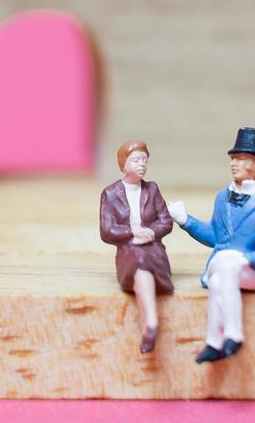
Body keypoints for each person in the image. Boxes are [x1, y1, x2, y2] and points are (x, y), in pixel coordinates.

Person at [168, 127, 255, 363]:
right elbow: (216, 236)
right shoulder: (222, 198)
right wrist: (185, 220)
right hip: (224, 268)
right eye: (233, 158)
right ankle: (217, 341)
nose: (234, 164)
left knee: (223, 268)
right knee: (218, 276)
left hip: (252, 273)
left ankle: (231, 334)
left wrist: (245, 258)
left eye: (242, 159)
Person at [98, 139, 175, 353]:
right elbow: (106, 230)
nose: (142, 165)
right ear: (123, 164)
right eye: (136, 160)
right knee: (139, 263)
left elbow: (166, 221)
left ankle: (150, 324)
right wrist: (133, 232)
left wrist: (150, 232)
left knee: (144, 259)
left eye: (145, 160)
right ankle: (150, 322)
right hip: (128, 250)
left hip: (153, 248)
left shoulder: (152, 189)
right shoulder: (110, 194)